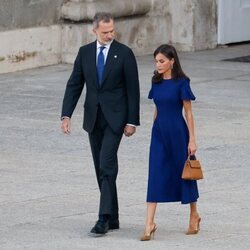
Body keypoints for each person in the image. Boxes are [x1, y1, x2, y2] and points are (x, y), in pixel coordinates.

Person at [60, 12, 140, 236]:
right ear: (94, 30)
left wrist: (132, 121)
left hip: (116, 119)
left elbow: (133, 90)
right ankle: (113, 216)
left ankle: (103, 218)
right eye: (105, 32)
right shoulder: (84, 53)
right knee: (100, 168)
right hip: (93, 118)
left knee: (106, 164)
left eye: (112, 30)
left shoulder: (124, 53)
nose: (110, 35)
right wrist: (66, 115)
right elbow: (74, 84)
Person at [140, 44, 200, 241]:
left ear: (172, 61)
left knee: (185, 174)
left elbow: (188, 113)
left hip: (178, 133)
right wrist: (154, 127)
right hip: (159, 134)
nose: (158, 65)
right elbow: (157, 108)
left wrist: (192, 139)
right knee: (155, 173)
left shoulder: (182, 82)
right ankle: (149, 223)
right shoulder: (155, 82)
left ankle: (194, 214)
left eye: (162, 61)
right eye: (156, 61)